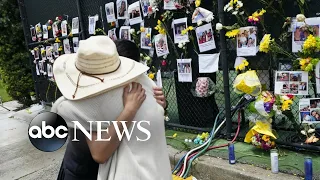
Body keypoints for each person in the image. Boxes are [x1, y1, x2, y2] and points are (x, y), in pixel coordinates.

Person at [55, 36, 169, 180]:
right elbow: (99, 153)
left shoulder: (132, 90)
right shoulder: (84, 100)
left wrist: (158, 105)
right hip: (83, 171)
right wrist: (129, 110)